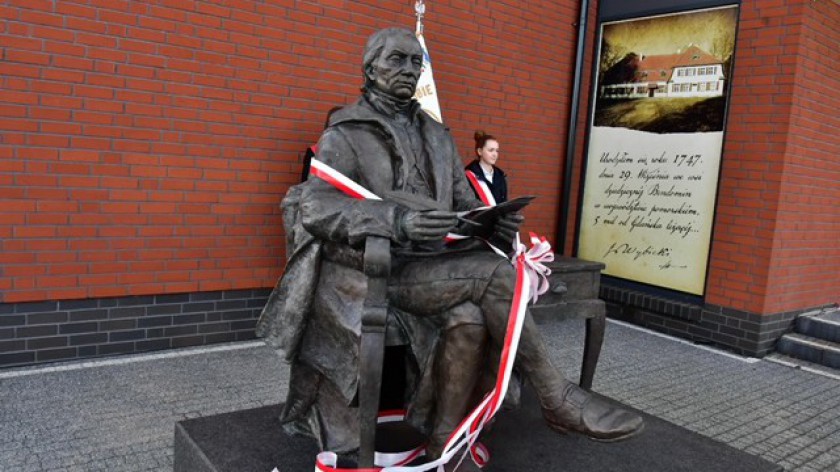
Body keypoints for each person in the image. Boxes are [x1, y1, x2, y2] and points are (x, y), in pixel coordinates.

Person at [256, 27, 643, 469]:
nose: (407, 69)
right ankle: (556, 396)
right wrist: (397, 220)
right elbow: (318, 207)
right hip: (381, 270)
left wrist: (494, 221)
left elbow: (463, 202)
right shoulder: (344, 134)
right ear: (370, 68)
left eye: (414, 62)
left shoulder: (438, 134)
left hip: (441, 267)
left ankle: (443, 443)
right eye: (396, 60)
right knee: (500, 276)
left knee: (470, 317)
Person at [465, 130, 507, 204]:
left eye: (497, 151)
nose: (495, 154)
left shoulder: (500, 175)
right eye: (491, 150)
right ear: (480, 151)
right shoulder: (468, 175)